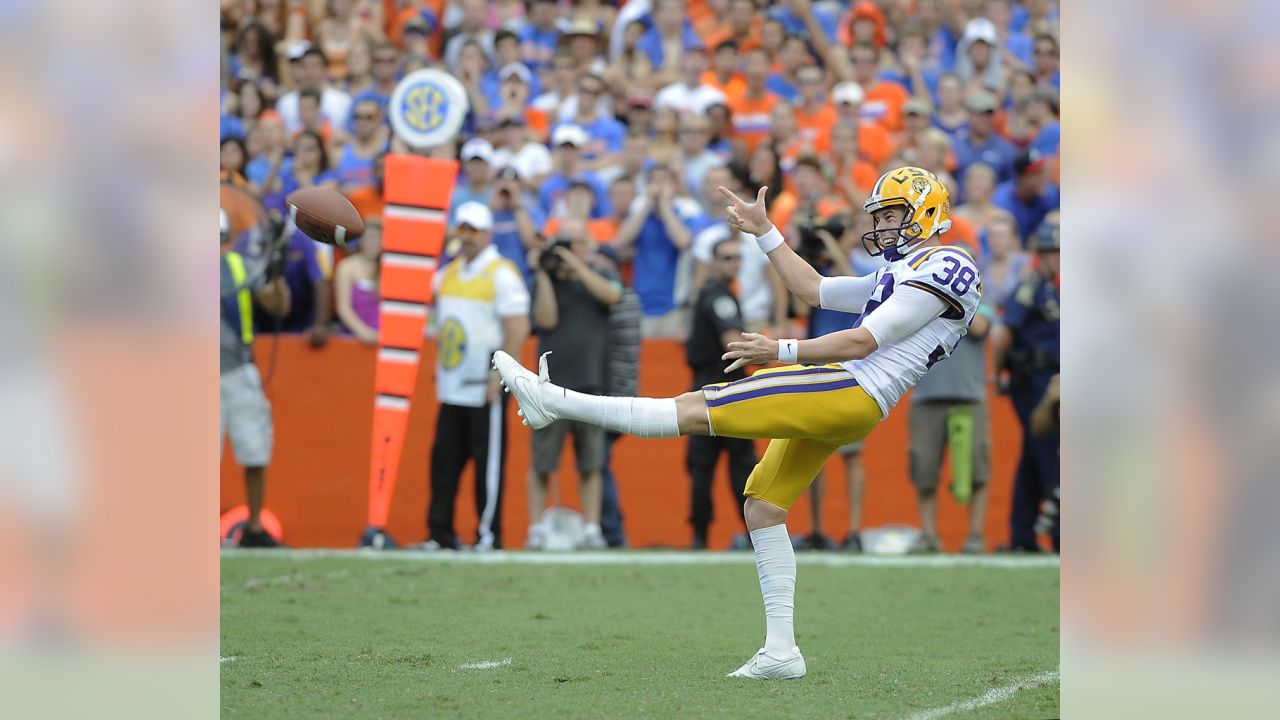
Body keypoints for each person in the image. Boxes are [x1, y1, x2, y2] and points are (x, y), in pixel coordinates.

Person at [493, 166, 982, 678]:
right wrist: (766, 232)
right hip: (854, 396)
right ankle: (781, 652)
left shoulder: (947, 262)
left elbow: (864, 341)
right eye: (879, 216)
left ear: (927, 213)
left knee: (692, 411)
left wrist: (781, 350)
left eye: (892, 215)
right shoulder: (903, 270)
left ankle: (555, 401)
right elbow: (812, 289)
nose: (882, 226)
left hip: (851, 385)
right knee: (763, 506)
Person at [423, 202, 531, 551]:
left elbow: (517, 328)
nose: (466, 237)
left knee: (488, 467)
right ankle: (439, 534)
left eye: (474, 231)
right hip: (452, 384)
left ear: (486, 233)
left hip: (484, 386)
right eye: (462, 229)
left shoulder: (500, 273)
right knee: (443, 463)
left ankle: (488, 535)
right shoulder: (450, 272)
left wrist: (497, 376)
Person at [525, 219, 624, 550]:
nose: (570, 249)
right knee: (542, 461)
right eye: (565, 244)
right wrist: (542, 271)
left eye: (576, 242)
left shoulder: (602, 274)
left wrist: (575, 263)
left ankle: (592, 527)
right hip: (550, 386)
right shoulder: (548, 281)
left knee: (591, 462)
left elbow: (612, 296)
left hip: (590, 383)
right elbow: (546, 319)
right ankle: (537, 527)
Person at [906, 245, 996, 554]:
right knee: (924, 467)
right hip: (927, 394)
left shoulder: (981, 300)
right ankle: (929, 534)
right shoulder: (922, 300)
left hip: (969, 395)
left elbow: (981, 327)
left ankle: (975, 534)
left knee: (978, 467)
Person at [220, 209, 291, 547]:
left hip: (239, 368)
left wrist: (275, 265)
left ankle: (254, 527)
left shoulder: (239, 266)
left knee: (256, 451)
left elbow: (279, 305)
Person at [685, 233, 757, 549]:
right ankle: (753, 535)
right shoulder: (720, 296)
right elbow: (733, 343)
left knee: (703, 467)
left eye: (737, 257)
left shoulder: (712, 293)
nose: (734, 264)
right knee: (738, 465)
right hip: (726, 387)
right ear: (713, 262)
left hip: (706, 386)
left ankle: (700, 537)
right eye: (727, 258)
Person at [993, 215, 1060, 553]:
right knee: (1050, 453)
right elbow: (1005, 333)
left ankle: (1023, 535)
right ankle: (1060, 534)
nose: (1058, 258)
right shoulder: (1031, 287)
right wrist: (998, 373)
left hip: (1052, 381)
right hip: (1033, 379)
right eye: (1053, 251)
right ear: (1042, 254)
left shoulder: (1053, 289)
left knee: (1033, 459)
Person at [333, 216, 381, 345]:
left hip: (382, 340)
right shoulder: (346, 267)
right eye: (369, 237)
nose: (373, 242)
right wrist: (363, 333)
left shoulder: (389, 268)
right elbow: (343, 307)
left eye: (377, 238)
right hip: (353, 340)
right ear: (361, 239)